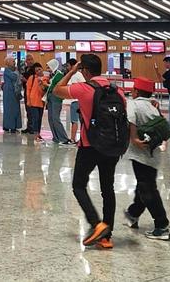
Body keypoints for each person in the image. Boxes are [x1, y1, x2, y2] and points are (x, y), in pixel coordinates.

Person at [54, 54, 128, 250]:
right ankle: (106, 236)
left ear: (84, 70)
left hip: (90, 145)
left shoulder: (84, 88)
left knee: (79, 185)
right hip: (112, 146)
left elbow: (56, 90)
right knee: (107, 189)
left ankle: (97, 224)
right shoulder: (116, 91)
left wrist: (71, 71)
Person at [124, 77, 170, 240]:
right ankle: (133, 214)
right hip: (153, 152)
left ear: (136, 91)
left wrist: (133, 139)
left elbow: (130, 120)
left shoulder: (134, 103)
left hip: (140, 153)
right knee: (144, 184)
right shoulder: (153, 106)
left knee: (147, 188)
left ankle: (162, 225)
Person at [45, 57, 74, 145]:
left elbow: (57, 87)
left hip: (56, 98)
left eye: (48, 67)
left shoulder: (59, 75)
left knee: (55, 118)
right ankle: (56, 137)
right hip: (50, 98)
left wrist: (46, 85)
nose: (47, 69)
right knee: (50, 118)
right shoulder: (52, 75)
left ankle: (64, 138)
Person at [24, 62, 46, 143]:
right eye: (36, 70)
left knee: (39, 119)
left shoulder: (45, 78)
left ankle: (38, 133)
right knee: (35, 118)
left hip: (42, 102)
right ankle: (36, 135)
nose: (38, 71)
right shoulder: (32, 78)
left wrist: (42, 83)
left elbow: (45, 90)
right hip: (33, 102)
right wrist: (28, 100)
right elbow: (28, 90)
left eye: (39, 69)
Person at [1, 57, 22, 133]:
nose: (14, 62)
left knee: (15, 108)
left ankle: (13, 125)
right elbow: (14, 77)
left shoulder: (13, 70)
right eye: (13, 61)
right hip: (9, 91)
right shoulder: (7, 70)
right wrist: (17, 73)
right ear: (8, 62)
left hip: (14, 90)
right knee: (9, 108)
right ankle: (9, 126)